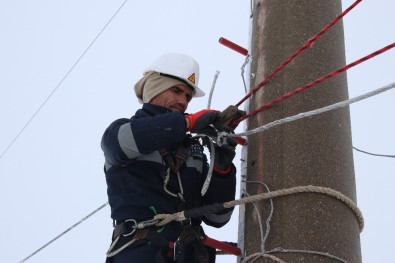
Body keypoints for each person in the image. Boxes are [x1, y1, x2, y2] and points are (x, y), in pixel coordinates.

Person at [101, 53, 237, 263]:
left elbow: (217, 218)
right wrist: (187, 123)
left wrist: (222, 168)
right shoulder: (120, 134)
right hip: (140, 253)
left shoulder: (193, 151)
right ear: (155, 87)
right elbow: (127, 142)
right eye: (176, 91)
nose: (183, 101)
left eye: (188, 97)